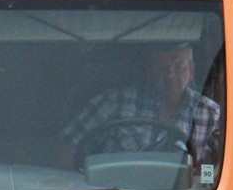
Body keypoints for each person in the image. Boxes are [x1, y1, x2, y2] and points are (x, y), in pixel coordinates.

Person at [59, 43, 223, 171]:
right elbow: (66, 147)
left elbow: (217, 168)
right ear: (149, 71)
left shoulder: (210, 113)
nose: (170, 75)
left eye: (178, 67)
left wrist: (204, 180)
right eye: (162, 68)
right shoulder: (116, 101)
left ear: (192, 70)